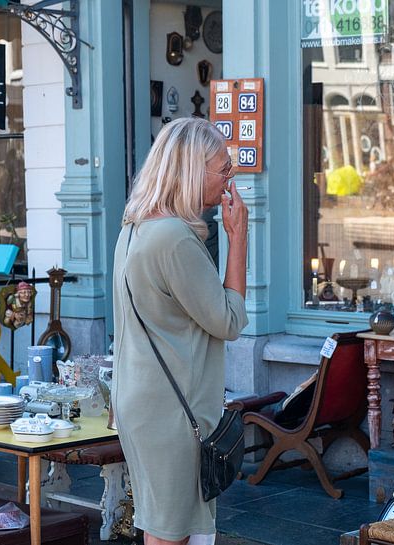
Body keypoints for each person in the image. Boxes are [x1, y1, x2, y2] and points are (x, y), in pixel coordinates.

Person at [112, 117, 249, 545]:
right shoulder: (174, 238)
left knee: (162, 525)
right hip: (173, 411)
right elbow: (229, 320)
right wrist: (238, 239)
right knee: (172, 532)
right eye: (223, 168)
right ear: (192, 170)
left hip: (144, 401)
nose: (230, 178)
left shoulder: (134, 229)